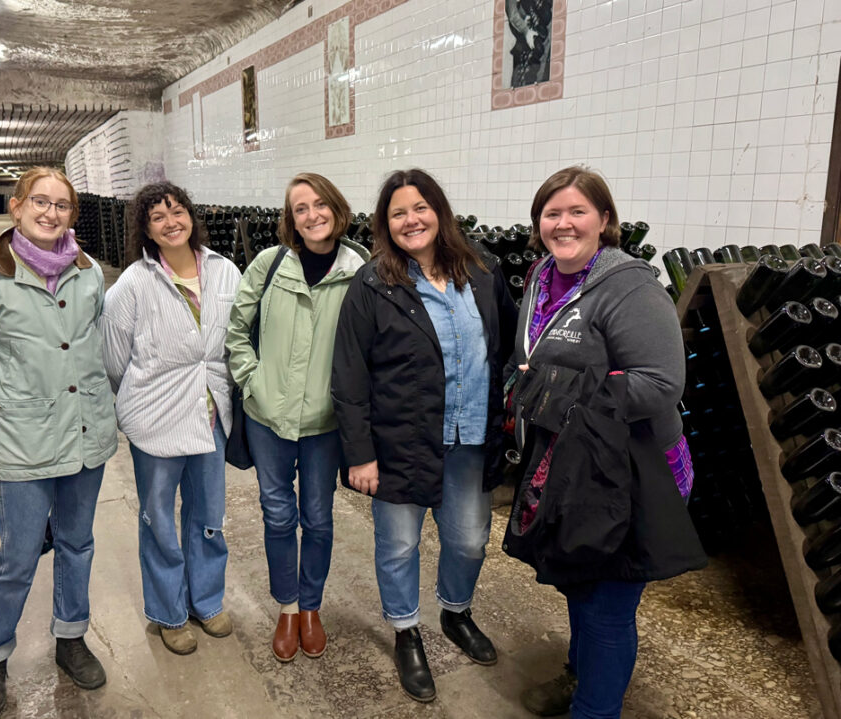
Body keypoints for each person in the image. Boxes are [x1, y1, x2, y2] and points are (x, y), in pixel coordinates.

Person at [504, 166, 706, 718]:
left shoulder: (629, 285)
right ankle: (580, 677)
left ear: (605, 221)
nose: (563, 223)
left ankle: (595, 711)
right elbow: (531, 358)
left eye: (577, 212)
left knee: (607, 607)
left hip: (633, 470)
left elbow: (663, 384)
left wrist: (554, 390)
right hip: (572, 462)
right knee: (579, 583)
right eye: (552, 213)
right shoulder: (542, 277)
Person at [331, 168, 518, 702]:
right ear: (384, 225)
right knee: (399, 544)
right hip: (399, 442)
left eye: (420, 208)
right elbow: (349, 375)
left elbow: (507, 344)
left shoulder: (482, 270)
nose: (411, 220)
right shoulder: (373, 285)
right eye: (398, 213)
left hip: (471, 437)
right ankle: (406, 630)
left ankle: (456, 613)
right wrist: (360, 455)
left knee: (468, 539)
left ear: (439, 211)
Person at [0, 167, 118, 717]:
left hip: (86, 436)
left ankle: (70, 638)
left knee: (77, 543)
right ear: (16, 208)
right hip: (24, 445)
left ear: (72, 215)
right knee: (17, 555)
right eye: (39, 202)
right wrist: (6, 413)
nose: (50, 213)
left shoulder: (88, 274)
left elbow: (96, 347)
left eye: (62, 205)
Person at [226, 172, 369, 662]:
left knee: (319, 517)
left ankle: (312, 607)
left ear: (336, 206)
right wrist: (252, 382)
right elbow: (237, 331)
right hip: (269, 419)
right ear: (290, 218)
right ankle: (287, 607)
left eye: (319, 204)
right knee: (278, 513)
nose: (312, 215)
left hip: (326, 424)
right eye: (300, 208)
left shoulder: (360, 269)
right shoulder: (269, 265)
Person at [100, 182, 240, 655]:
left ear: (191, 216)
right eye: (158, 217)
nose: (170, 222)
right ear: (145, 228)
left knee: (208, 516)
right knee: (158, 518)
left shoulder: (224, 271)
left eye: (177, 211)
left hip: (210, 414)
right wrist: (141, 400)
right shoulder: (133, 286)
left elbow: (235, 339)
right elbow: (115, 361)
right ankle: (168, 612)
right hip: (156, 420)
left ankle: (207, 601)